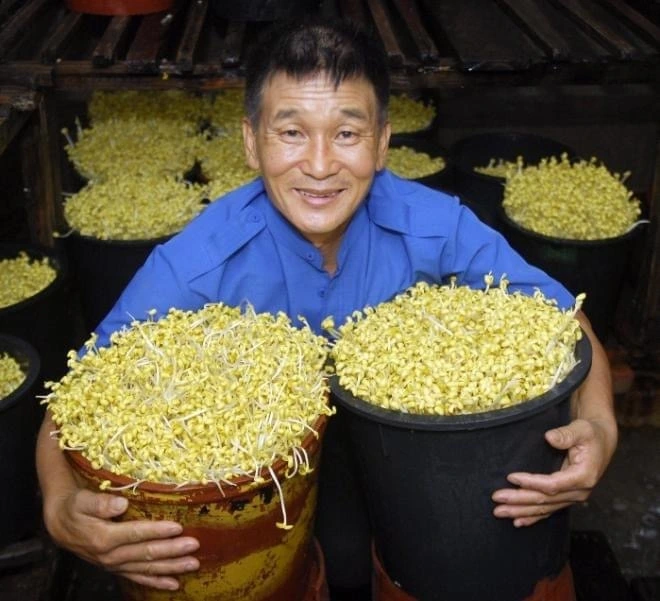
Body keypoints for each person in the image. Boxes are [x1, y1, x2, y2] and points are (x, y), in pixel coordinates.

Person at [36, 17, 617, 600]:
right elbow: (75, 400)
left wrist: (599, 424)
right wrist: (60, 507)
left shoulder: (432, 224)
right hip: (267, 485)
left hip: (408, 463)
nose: (319, 165)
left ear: (382, 142)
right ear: (251, 142)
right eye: (291, 132)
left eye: (346, 133)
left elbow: (563, 317)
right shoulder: (199, 263)